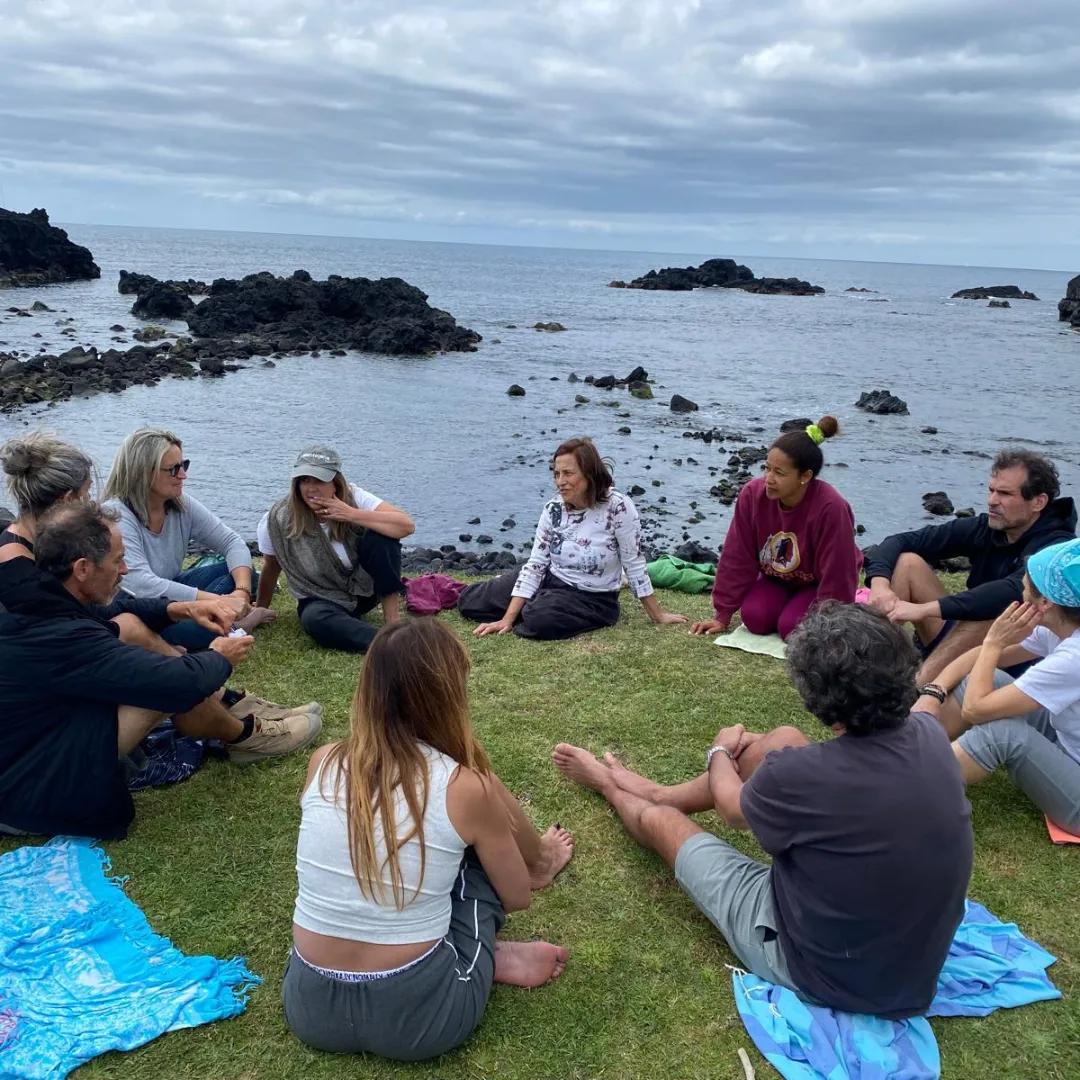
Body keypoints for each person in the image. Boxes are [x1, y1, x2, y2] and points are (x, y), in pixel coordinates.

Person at [555, 601, 973, 1019]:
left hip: (823, 973)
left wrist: (720, 749)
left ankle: (610, 786)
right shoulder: (929, 735)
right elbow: (880, 738)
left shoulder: (799, 776)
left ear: (814, 694)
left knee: (665, 823)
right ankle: (661, 791)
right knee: (783, 739)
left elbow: (733, 811)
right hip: (912, 973)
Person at [283, 619, 571, 1061]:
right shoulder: (463, 786)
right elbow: (516, 897)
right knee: (473, 863)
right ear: (449, 694)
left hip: (309, 1005)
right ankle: (489, 956)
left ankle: (470, 941)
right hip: (423, 1016)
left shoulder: (324, 761)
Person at [0, 502, 322, 840]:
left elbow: (122, 609)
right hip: (25, 794)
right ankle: (242, 735)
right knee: (162, 685)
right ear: (82, 568)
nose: (124, 570)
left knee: (127, 626)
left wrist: (183, 609)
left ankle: (223, 711)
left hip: (33, 744)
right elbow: (179, 682)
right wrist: (219, 656)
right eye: (116, 560)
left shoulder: (39, 595)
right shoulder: (63, 635)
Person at [864, 449, 1076, 682]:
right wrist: (880, 585)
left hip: (1015, 662)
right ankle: (868, 671)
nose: (992, 501)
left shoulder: (1056, 547)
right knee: (907, 563)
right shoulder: (987, 527)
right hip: (963, 642)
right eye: (991, 490)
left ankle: (916, 691)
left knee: (999, 614)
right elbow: (900, 541)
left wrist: (925, 609)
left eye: (1005, 494)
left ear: (1038, 502)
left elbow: (1012, 591)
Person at [913, 538, 1080, 833]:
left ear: (1045, 603)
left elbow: (977, 710)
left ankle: (893, 788)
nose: (1021, 588)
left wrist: (993, 642)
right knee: (987, 678)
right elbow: (981, 661)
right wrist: (934, 691)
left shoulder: (1074, 657)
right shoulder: (1060, 628)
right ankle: (902, 752)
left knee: (1003, 735)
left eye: (1026, 584)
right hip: (1066, 742)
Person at [458, 437, 687, 640]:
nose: (560, 481)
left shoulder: (618, 507)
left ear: (589, 473)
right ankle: (530, 604)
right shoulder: (553, 508)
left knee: (539, 619)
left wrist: (658, 615)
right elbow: (537, 564)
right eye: (556, 474)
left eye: (568, 473)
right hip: (550, 579)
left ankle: (536, 606)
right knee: (470, 602)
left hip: (593, 598)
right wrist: (507, 619)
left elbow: (634, 561)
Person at [102, 428, 275, 651]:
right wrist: (217, 601)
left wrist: (240, 591)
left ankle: (228, 619)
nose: (183, 475)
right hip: (136, 609)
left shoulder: (181, 504)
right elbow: (142, 585)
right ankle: (240, 623)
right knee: (201, 634)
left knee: (244, 573)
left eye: (184, 465)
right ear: (143, 472)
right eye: (173, 469)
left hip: (173, 593)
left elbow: (232, 542)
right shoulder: (115, 515)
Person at [690, 416, 861, 641]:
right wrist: (722, 614)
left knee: (792, 628)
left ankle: (849, 604)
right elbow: (737, 554)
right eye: (766, 468)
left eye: (779, 473)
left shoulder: (831, 508)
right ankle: (788, 603)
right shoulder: (753, 495)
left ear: (805, 476)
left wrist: (833, 624)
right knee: (755, 618)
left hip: (817, 583)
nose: (768, 478)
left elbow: (838, 574)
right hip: (778, 577)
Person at [255, 446, 415, 654]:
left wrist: (351, 514)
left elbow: (406, 526)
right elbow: (271, 566)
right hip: (322, 598)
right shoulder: (277, 519)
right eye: (304, 480)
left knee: (383, 535)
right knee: (314, 620)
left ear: (335, 483)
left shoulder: (355, 497)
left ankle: (392, 621)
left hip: (365, 590)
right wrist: (260, 607)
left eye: (319, 480)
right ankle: (387, 645)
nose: (311, 488)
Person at [1, 431, 94, 568]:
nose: (90, 500)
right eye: (87, 491)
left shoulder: (36, 545)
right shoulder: (17, 568)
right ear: (67, 500)